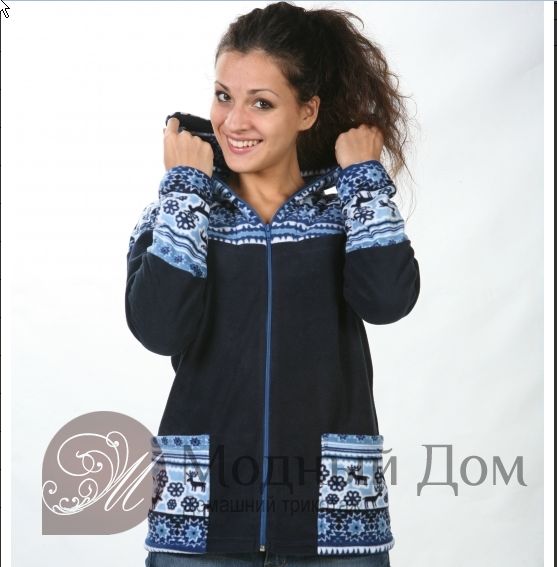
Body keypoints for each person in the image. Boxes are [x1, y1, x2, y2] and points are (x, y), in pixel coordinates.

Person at [125, 2, 420, 566]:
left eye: (261, 103)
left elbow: (387, 300)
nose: (233, 122)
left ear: (307, 111)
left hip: (335, 523)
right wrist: (186, 187)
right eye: (223, 96)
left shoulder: (344, 213)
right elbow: (159, 330)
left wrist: (364, 179)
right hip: (199, 523)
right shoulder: (180, 212)